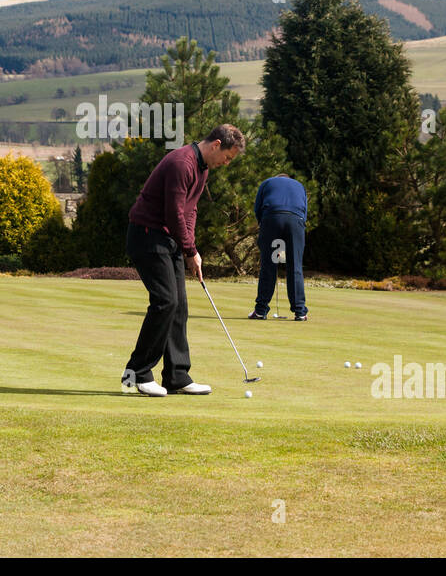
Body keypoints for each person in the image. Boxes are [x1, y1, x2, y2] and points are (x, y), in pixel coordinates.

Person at [121, 124, 245, 397]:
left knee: (179, 307)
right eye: (227, 157)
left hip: (169, 240)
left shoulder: (202, 169)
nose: (226, 163)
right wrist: (189, 249)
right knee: (166, 301)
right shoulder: (181, 163)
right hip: (147, 235)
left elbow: (190, 210)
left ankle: (176, 376)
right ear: (216, 145)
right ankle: (137, 374)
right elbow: (173, 213)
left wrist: (192, 249)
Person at [248, 173, 309, 321]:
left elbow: (258, 208)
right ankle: (300, 312)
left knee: (268, 265)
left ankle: (261, 310)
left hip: (272, 217)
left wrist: (264, 227)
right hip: (296, 220)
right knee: (295, 266)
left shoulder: (267, 182)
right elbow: (305, 212)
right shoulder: (299, 185)